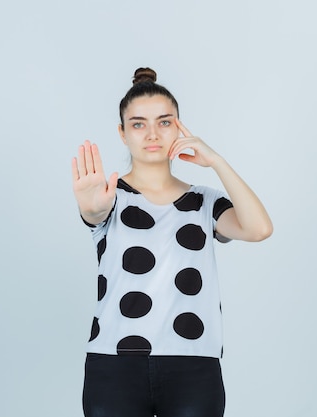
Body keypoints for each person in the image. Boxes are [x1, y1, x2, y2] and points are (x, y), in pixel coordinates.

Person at [71, 67, 273, 417]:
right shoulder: (107, 197)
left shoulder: (205, 202)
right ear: (122, 133)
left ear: (179, 126)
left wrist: (217, 162)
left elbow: (259, 229)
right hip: (115, 367)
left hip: (193, 366)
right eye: (138, 124)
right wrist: (92, 209)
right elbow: (94, 213)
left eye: (164, 122)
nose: (152, 133)